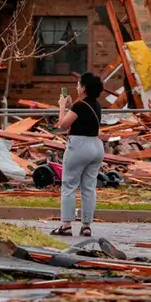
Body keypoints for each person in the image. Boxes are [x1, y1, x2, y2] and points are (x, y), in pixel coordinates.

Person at [50, 72, 105, 237]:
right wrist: (70, 106)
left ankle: (66, 225)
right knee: (89, 187)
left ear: (84, 88)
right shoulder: (96, 105)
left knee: (69, 185)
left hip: (79, 146)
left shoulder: (80, 106)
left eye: (79, 84)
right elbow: (81, 119)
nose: (77, 87)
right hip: (96, 146)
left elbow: (62, 125)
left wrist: (61, 106)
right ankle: (86, 225)